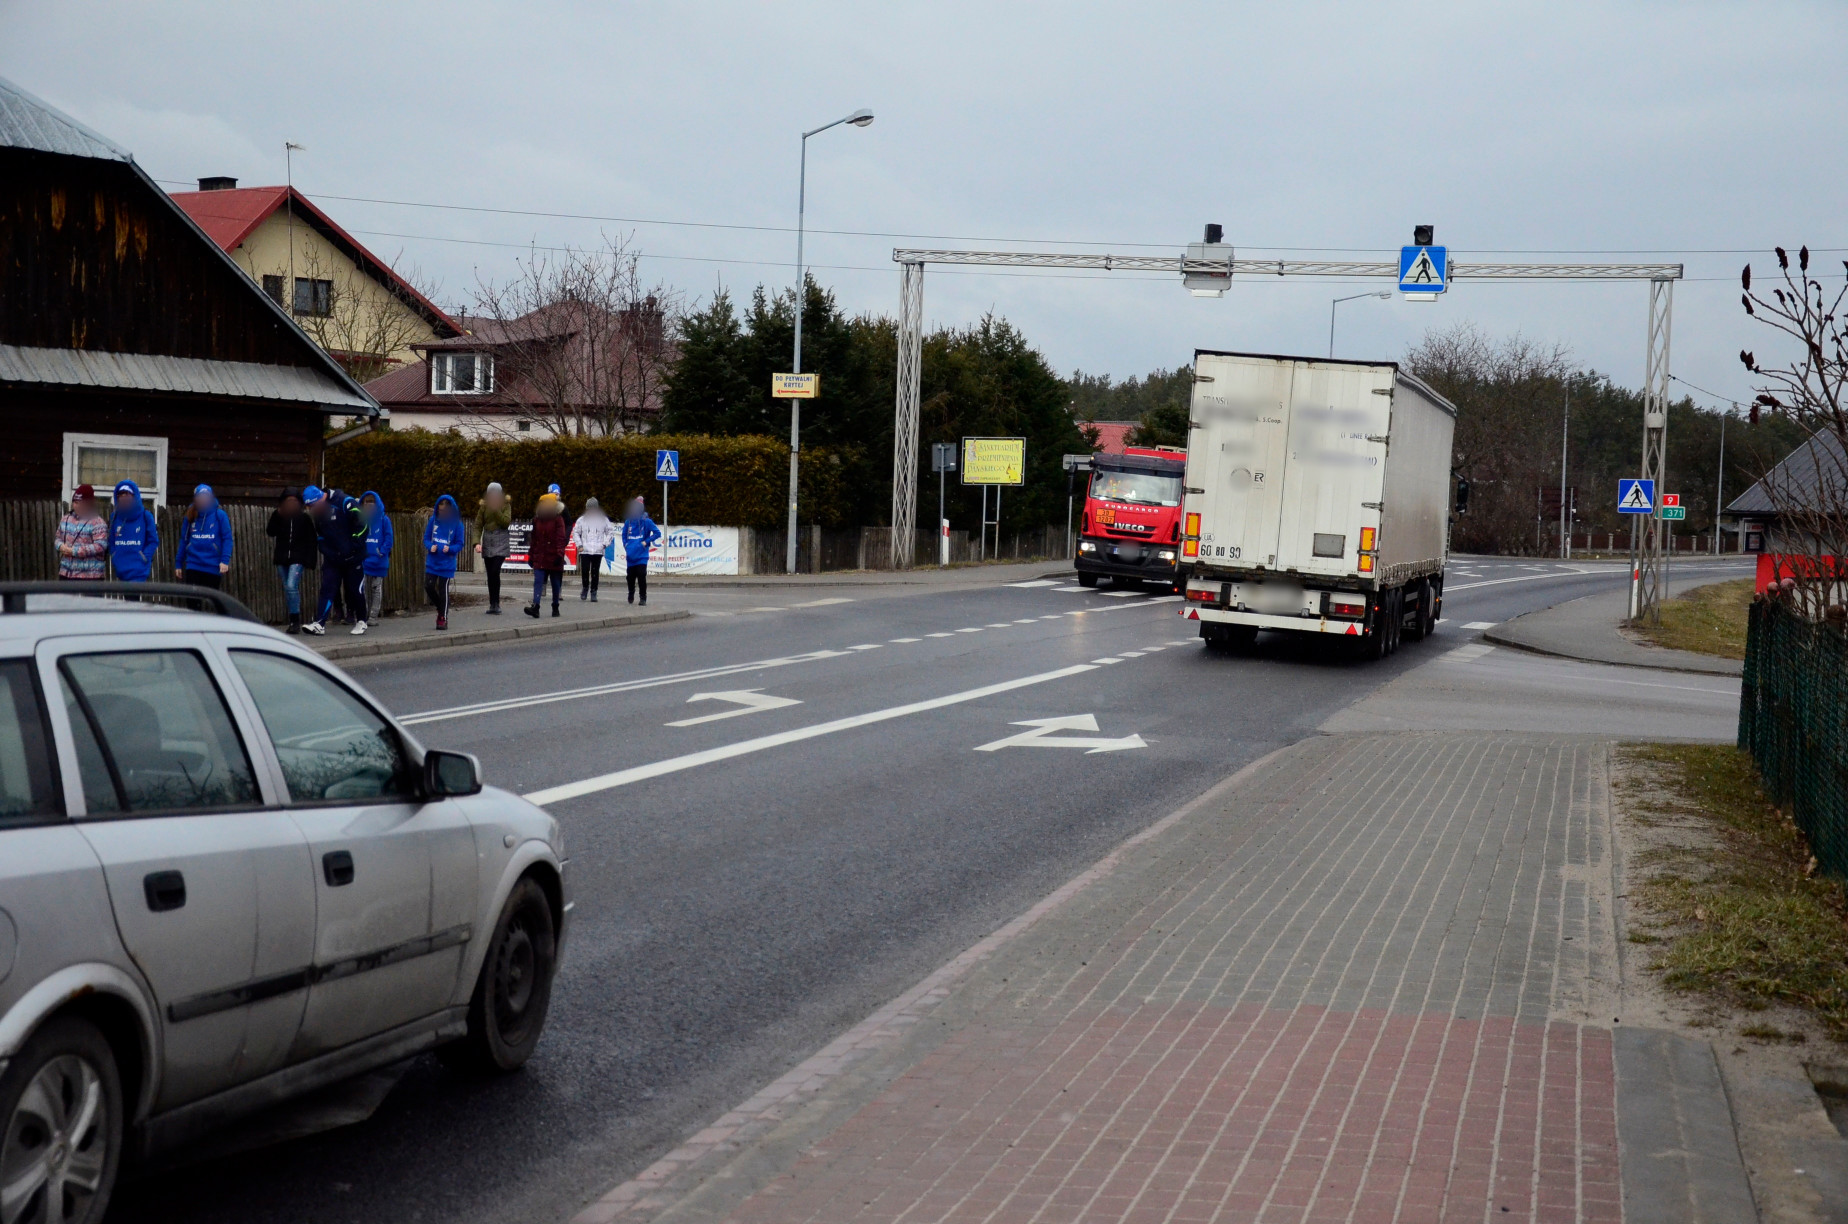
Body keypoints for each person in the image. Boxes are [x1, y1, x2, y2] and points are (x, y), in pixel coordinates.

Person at [302, 484, 366, 636]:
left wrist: (354, 546)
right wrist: (326, 550)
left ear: (320, 499)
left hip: (353, 557)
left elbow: (362, 524)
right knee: (327, 588)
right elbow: (321, 534)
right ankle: (319, 623)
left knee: (355, 590)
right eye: (309, 507)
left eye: (313, 505)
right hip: (333, 558)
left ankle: (361, 621)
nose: (312, 509)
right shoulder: (318, 514)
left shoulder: (345, 502)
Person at [267, 489, 318, 633]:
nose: (291, 504)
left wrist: (310, 560)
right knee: (287, 588)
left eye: (294, 501)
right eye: (288, 501)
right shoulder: (279, 517)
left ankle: (295, 620)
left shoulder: (304, 519)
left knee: (291, 586)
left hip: (298, 558)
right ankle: (292, 619)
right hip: (282, 558)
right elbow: (270, 531)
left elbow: (312, 540)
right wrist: (277, 515)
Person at [175, 484, 233, 588]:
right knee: (192, 600)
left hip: (213, 566)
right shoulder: (190, 515)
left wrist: (224, 561)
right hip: (193, 564)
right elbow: (184, 540)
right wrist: (178, 563)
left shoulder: (219, 515)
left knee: (210, 600)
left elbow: (227, 539)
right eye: (200, 497)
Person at [523, 491, 569, 619]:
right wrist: (531, 555)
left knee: (555, 583)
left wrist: (560, 554)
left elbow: (561, 538)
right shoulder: (536, 520)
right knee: (538, 581)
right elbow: (534, 539)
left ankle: (555, 606)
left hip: (554, 556)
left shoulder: (558, 519)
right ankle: (536, 606)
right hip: (540, 556)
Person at [424, 494, 465, 630]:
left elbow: (460, 544)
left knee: (443, 590)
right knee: (428, 586)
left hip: (447, 564)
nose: (443, 514)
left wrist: (450, 549)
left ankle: (443, 618)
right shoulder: (433, 521)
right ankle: (441, 607)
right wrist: (431, 547)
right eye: (440, 511)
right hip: (433, 562)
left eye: (445, 511)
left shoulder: (457, 524)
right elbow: (426, 539)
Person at [107, 480, 159, 584]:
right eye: (120, 495)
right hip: (121, 568)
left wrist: (144, 557)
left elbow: (153, 541)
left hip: (138, 570)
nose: (123, 498)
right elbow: (111, 540)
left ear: (134, 496)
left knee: (133, 598)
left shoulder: (146, 516)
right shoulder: (115, 516)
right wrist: (115, 555)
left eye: (127, 494)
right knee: (126, 600)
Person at [358, 490, 394, 635]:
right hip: (364, 560)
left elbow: (389, 538)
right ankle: (363, 614)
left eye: (372, 505)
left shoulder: (384, 520)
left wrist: (382, 551)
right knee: (363, 588)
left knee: (376, 588)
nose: (369, 508)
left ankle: (373, 616)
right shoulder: (360, 519)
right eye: (367, 505)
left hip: (379, 561)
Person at [56, 484, 109, 581]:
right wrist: (60, 546)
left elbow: (101, 545)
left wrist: (75, 551)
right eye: (76, 502)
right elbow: (58, 538)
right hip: (66, 573)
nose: (78, 506)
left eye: (82, 503)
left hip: (90, 576)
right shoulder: (66, 519)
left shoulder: (97, 522)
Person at [475, 481, 511, 614]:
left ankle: (497, 603)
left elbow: (506, 522)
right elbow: (478, 525)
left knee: (495, 571)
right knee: (490, 573)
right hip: (488, 541)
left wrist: (496, 510)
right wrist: (476, 542)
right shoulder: (483, 507)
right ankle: (492, 604)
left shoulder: (506, 505)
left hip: (501, 540)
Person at [569, 496, 615, 602]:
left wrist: (604, 544)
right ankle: (585, 588)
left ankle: (594, 592)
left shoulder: (603, 519)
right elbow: (576, 532)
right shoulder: (582, 520)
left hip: (598, 551)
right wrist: (579, 545)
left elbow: (610, 532)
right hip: (585, 550)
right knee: (585, 570)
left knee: (595, 572)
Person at [620, 496, 662, 606]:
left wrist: (646, 541)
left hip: (642, 556)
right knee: (630, 577)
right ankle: (631, 593)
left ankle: (643, 597)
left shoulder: (646, 522)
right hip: (631, 556)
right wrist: (626, 544)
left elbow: (657, 533)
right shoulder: (628, 522)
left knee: (641, 575)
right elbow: (624, 535)